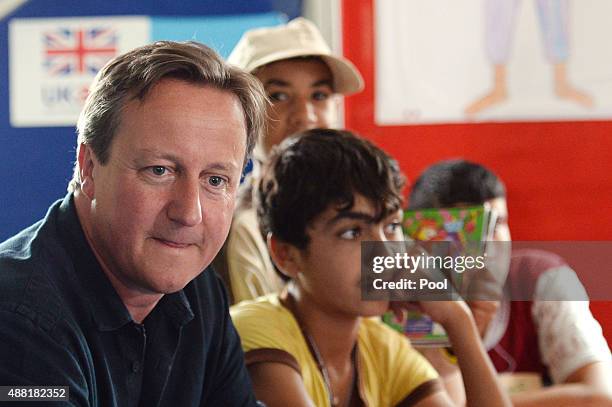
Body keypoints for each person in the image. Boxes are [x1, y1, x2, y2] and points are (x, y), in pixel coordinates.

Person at [0, 41, 268, 406]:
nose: (189, 213)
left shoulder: (200, 289)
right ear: (89, 168)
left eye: (216, 180)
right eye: (159, 170)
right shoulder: (16, 317)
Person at [231, 129, 511, 407]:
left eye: (391, 227)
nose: (385, 252)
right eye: (352, 232)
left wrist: (457, 319)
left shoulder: (382, 348)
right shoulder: (255, 330)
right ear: (286, 255)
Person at [408, 159, 612, 406]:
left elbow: (601, 397)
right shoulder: (402, 309)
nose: (488, 245)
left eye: (498, 224)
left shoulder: (539, 280)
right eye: (469, 230)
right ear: (424, 238)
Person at [218, 17, 364, 303]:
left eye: (319, 95)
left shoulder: (368, 210)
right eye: (279, 96)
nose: (305, 115)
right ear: (243, 116)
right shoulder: (241, 227)